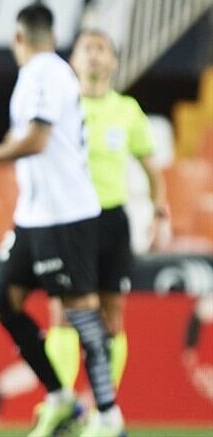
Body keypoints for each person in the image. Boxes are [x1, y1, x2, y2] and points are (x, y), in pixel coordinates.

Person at [0, 3, 125, 437]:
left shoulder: (45, 72)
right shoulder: (42, 75)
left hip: (65, 214)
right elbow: (28, 133)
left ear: (18, 37)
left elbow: (37, 139)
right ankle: (60, 396)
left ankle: (108, 416)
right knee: (5, 303)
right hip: (35, 216)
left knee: (82, 311)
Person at [42, 29, 169, 406]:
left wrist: (160, 212)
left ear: (113, 62)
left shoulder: (126, 110)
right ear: (73, 61)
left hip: (111, 220)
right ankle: (62, 403)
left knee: (112, 317)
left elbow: (151, 169)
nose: (95, 55)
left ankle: (103, 406)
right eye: (87, 48)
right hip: (68, 221)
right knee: (63, 313)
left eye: (102, 49)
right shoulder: (61, 107)